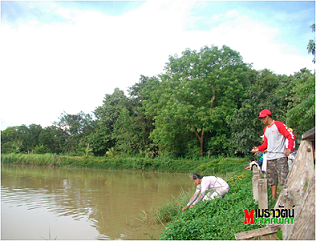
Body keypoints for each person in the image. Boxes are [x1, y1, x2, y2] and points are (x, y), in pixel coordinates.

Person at [251, 109, 295, 200]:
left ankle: (286, 198)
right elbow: (266, 144)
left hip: (280, 157)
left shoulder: (279, 125)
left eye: (262, 118)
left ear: (267, 117)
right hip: (270, 158)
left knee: (283, 179)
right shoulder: (266, 129)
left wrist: (289, 148)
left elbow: (290, 136)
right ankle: (274, 198)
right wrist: (258, 148)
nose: (261, 120)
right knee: (272, 179)